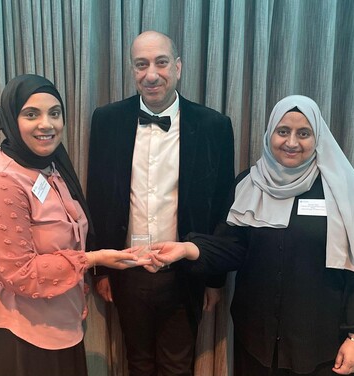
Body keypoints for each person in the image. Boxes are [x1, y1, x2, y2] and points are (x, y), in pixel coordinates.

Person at [149, 95, 354, 375]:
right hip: (256, 341)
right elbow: (233, 247)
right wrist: (188, 249)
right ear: (270, 133)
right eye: (283, 131)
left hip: (320, 345)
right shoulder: (248, 184)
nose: (291, 142)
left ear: (318, 138)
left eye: (304, 133)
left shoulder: (342, 192)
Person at [0, 74, 145, 376]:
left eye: (54, 113)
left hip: (57, 328)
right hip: (14, 338)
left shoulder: (50, 169)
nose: (47, 124)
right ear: (11, 119)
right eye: (32, 114)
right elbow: (18, 274)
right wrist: (93, 260)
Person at [86, 31, 235, 376]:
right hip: (126, 271)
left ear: (178, 67)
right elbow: (98, 196)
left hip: (184, 273)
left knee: (178, 367)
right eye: (141, 64)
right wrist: (103, 270)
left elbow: (222, 207)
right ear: (133, 70)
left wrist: (213, 278)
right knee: (136, 363)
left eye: (161, 62)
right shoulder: (106, 120)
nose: (151, 74)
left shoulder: (214, 126)